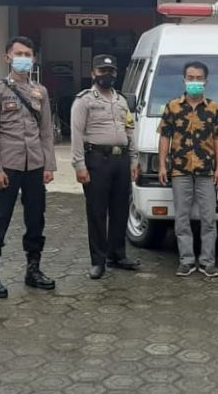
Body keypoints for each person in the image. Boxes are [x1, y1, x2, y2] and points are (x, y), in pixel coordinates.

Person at [0, 36, 57, 299]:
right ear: (8, 58)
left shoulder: (40, 92)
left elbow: (46, 132)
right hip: (8, 166)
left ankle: (33, 270)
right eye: (18, 54)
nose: (23, 58)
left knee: (36, 218)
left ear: (34, 59)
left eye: (28, 54)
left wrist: (49, 165)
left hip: (34, 165)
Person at [71, 54, 140, 279]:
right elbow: (76, 134)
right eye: (102, 71)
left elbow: (130, 130)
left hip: (121, 161)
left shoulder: (121, 100)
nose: (107, 75)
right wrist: (79, 165)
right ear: (93, 73)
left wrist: (134, 160)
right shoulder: (84, 100)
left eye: (110, 72)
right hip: (97, 160)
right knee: (97, 212)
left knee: (120, 210)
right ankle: (98, 260)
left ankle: (117, 255)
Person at [158, 61, 218, 277]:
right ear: (184, 80)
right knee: (182, 218)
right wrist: (162, 165)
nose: (194, 82)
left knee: (209, 219)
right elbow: (165, 137)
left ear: (206, 81)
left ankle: (207, 262)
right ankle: (186, 260)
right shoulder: (172, 107)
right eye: (190, 78)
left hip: (206, 172)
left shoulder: (214, 108)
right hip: (180, 170)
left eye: (199, 78)